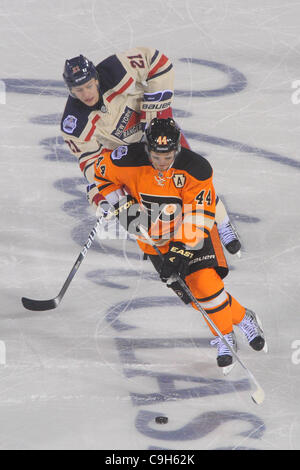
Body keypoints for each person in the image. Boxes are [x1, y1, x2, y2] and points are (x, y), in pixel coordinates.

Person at [93, 118, 266, 368]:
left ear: (177, 149)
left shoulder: (196, 169)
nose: (162, 163)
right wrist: (122, 205)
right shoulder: (125, 160)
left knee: (205, 285)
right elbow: (101, 174)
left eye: (168, 156)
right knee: (195, 296)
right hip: (152, 239)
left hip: (192, 235)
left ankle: (223, 334)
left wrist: (180, 250)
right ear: (146, 149)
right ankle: (241, 316)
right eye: (156, 156)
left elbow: (199, 215)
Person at [61, 46, 241, 254]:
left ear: (96, 79)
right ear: (70, 91)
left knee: (193, 178)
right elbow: (90, 161)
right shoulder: (74, 123)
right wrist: (103, 194)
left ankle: (224, 224)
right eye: (78, 90)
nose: (86, 94)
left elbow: (159, 64)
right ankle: (170, 248)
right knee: (148, 205)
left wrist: (156, 114)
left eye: (89, 86)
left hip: (159, 133)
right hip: (130, 155)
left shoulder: (116, 69)